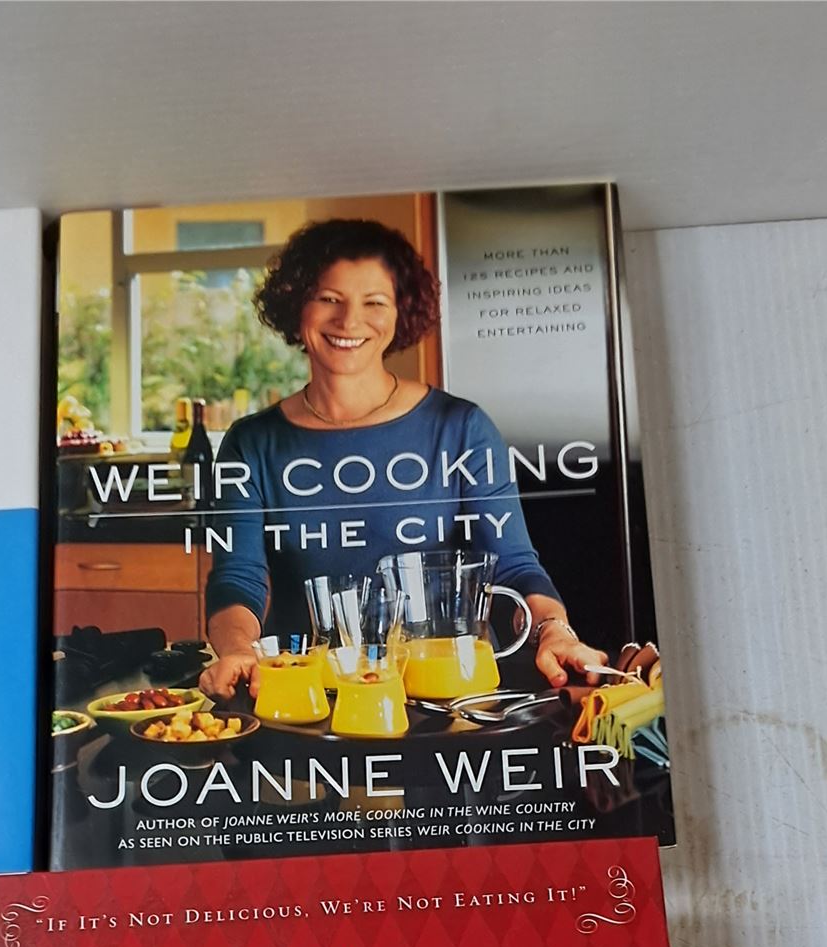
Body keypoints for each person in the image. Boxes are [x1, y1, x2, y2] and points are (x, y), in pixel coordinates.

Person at [197, 217, 609, 700]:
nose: (349, 321)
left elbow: (514, 567)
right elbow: (238, 577)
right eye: (328, 298)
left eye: (374, 302)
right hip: (309, 698)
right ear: (296, 304)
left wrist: (555, 630)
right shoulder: (251, 442)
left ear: (400, 312)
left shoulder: (461, 428)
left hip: (447, 698)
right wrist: (237, 650)